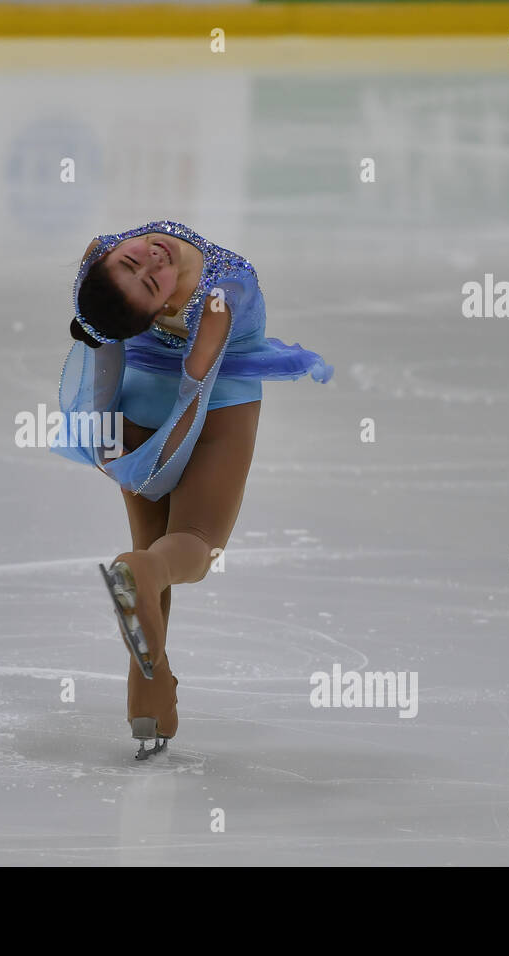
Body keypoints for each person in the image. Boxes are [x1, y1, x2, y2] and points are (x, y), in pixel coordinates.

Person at [51, 220, 333, 758]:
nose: (152, 260)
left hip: (147, 400)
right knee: (195, 548)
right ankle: (142, 580)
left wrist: (117, 446)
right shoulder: (220, 299)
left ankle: (147, 701)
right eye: (148, 280)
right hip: (211, 400)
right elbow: (193, 392)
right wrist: (136, 457)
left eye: (135, 263)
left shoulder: (99, 253)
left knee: (153, 555)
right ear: (157, 313)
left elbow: (116, 355)